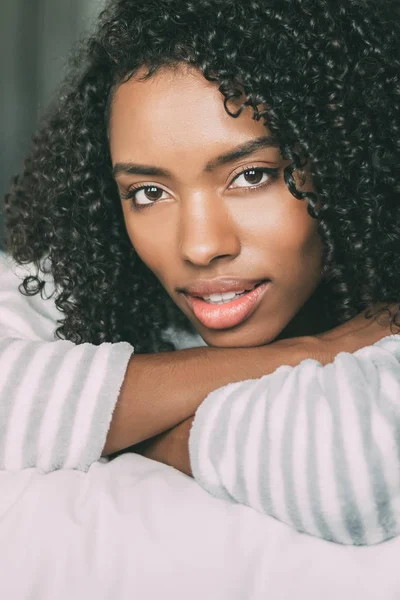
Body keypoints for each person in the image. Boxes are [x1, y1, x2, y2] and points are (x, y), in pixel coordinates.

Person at [1, 0, 400, 546]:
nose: (200, 245)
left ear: (345, 157)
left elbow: (347, 475)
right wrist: (312, 350)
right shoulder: (91, 273)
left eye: (251, 175)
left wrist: (117, 433)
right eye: (148, 192)